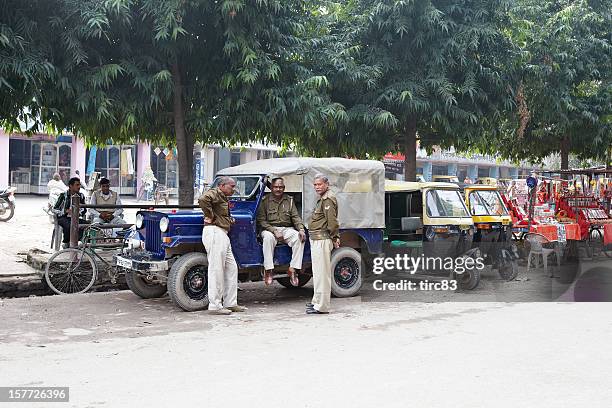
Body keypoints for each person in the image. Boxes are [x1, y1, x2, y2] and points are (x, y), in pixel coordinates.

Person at [198, 176, 247, 315]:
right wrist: (211, 216)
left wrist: (226, 219)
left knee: (231, 268)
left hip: (221, 233)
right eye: (231, 186)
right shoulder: (215, 192)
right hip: (214, 232)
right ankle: (215, 305)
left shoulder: (222, 196)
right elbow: (202, 200)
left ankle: (230, 303)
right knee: (216, 269)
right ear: (222, 185)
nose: (233, 189)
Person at [256, 177, 306, 286]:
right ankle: (268, 270)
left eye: (280, 187)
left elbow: (295, 218)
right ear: (272, 188)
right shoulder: (264, 201)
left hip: (286, 229)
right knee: (268, 238)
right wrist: (274, 231)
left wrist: (301, 229)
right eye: (275, 187)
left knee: (299, 238)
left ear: (284, 188)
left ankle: (293, 269)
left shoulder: (289, 200)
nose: (278, 189)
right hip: (269, 229)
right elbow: (261, 221)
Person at [306, 174, 340, 315]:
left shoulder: (328, 199)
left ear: (327, 184)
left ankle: (322, 306)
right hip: (316, 239)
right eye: (315, 185)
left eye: (319, 184)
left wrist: (335, 237)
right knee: (318, 273)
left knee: (323, 274)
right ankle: (316, 301)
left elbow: (332, 222)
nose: (317, 187)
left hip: (322, 239)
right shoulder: (322, 198)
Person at [52, 177, 88, 247]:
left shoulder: (81, 196)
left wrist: (78, 212)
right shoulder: (63, 195)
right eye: (77, 185)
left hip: (75, 218)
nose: (79, 187)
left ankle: (79, 242)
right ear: (70, 186)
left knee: (87, 225)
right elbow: (54, 209)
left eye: (79, 185)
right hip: (63, 218)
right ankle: (67, 242)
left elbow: (84, 209)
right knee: (69, 225)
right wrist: (65, 211)